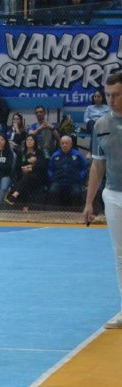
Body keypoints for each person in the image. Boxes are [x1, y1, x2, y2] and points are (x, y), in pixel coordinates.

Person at [83, 72, 122, 328]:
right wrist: (89, 203)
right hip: (113, 196)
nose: (111, 100)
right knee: (120, 255)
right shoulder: (101, 126)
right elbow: (97, 167)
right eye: (108, 95)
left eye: (116, 94)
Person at [5, 135, 48, 211]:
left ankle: (14, 195)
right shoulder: (22, 152)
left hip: (38, 176)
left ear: (35, 142)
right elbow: (18, 166)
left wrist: (31, 168)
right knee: (26, 179)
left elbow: (43, 165)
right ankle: (25, 206)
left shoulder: (39, 152)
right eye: (27, 140)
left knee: (27, 178)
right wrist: (27, 163)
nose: (29, 142)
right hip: (24, 176)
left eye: (31, 140)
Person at [47, 135, 86, 206]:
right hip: (58, 181)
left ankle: (75, 213)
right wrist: (52, 178)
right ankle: (54, 213)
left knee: (76, 193)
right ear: (60, 145)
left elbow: (84, 168)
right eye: (62, 143)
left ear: (71, 144)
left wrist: (80, 177)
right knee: (52, 191)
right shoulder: (55, 155)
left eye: (66, 143)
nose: (64, 145)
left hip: (74, 181)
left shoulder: (78, 155)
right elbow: (50, 169)